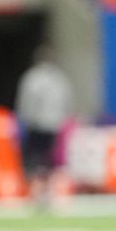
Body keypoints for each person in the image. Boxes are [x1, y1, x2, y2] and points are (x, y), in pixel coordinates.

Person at [14, 44, 74, 202]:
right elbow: (66, 101)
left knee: (36, 160)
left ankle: (38, 193)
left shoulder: (32, 77)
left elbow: (25, 102)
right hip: (52, 124)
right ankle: (46, 193)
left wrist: (24, 120)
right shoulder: (58, 78)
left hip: (37, 124)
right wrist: (63, 119)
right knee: (48, 161)